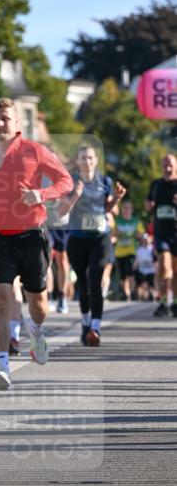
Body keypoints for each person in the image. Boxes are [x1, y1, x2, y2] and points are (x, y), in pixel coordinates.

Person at [0, 97, 73, 390]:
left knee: (38, 303)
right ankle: (3, 367)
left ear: (16, 123)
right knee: (0, 297)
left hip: (31, 236)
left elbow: (65, 181)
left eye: (5, 119)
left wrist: (41, 194)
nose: (0, 123)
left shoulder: (34, 150)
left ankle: (36, 331)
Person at [60, 143, 126, 346]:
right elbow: (62, 211)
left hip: (100, 237)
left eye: (90, 158)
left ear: (96, 161)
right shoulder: (70, 181)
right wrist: (75, 196)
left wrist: (116, 198)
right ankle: (85, 323)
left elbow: (107, 208)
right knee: (83, 284)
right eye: (83, 158)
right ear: (77, 161)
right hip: (77, 238)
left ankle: (95, 328)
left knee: (95, 280)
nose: (87, 162)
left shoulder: (104, 181)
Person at [146, 152, 177, 317]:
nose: (168, 167)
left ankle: (175, 303)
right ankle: (164, 302)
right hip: (161, 233)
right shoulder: (156, 184)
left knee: (176, 271)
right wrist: (149, 205)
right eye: (165, 164)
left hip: (176, 233)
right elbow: (148, 202)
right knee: (164, 266)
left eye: (170, 164)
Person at [114, 199, 144, 301]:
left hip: (131, 251)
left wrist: (134, 234)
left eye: (128, 208)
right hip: (119, 252)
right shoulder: (117, 220)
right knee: (122, 275)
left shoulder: (136, 221)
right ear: (121, 209)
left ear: (132, 210)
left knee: (130, 272)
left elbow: (141, 234)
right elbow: (113, 232)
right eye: (124, 208)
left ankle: (131, 291)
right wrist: (118, 234)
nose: (126, 210)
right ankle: (126, 293)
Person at [134, 233, 156, 301]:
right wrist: (134, 267)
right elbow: (137, 260)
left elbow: (156, 259)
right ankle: (145, 297)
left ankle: (153, 296)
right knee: (144, 284)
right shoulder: (139, 249)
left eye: (146, 239)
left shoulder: (152, 248)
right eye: (143, 239)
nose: (145, 240)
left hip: (152, 270)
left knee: (152, 285)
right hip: (142, 270)